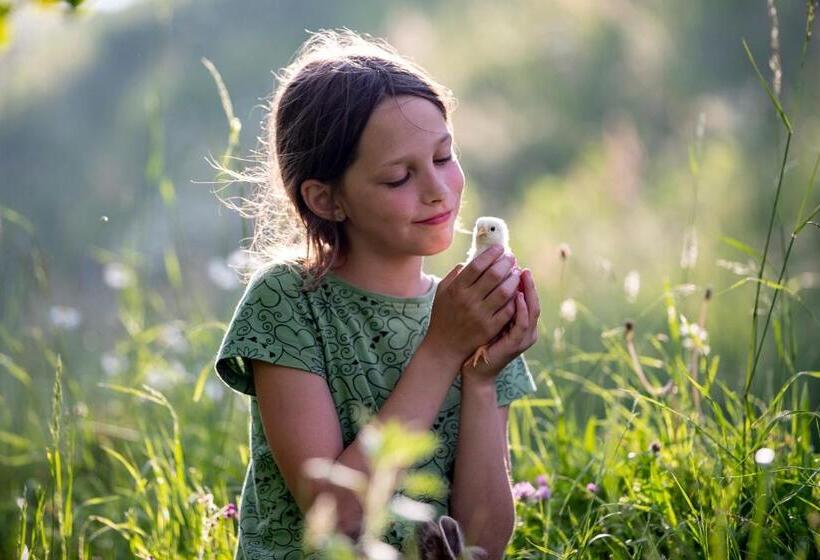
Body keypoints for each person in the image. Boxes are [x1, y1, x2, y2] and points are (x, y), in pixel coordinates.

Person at [214, 28, 540, 560]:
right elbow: (331, 515)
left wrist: (480, 379)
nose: (437, 189)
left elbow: (484, 541)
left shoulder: (467, 316)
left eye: (443, 156)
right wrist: (440, 351)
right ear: (326, 199)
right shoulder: (287, 301)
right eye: (397, 177)